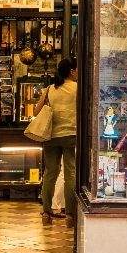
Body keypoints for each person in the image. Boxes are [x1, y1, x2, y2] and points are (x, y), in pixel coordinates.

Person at [34, 57, 77, 227]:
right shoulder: (77, 88)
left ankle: (46, 213)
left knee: (50, 174)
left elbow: (37, 111)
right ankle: (70, 215)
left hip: (51, 137)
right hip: (71, 136)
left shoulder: (51, 89)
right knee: (70, 174)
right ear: (72, 71)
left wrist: (44, 95)